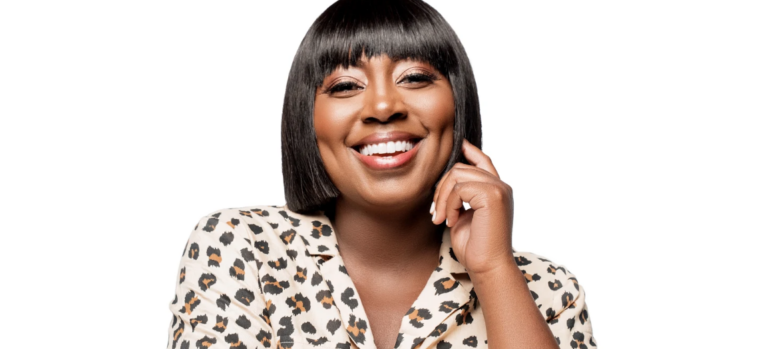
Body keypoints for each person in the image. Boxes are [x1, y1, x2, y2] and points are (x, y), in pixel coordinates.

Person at [165, 0, 596, 348]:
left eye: (415, 78)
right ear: (307, 120)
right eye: (345, 86)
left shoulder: (549, 289)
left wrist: (493, 270)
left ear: (457, 105)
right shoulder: (241, 249)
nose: (384, 106)